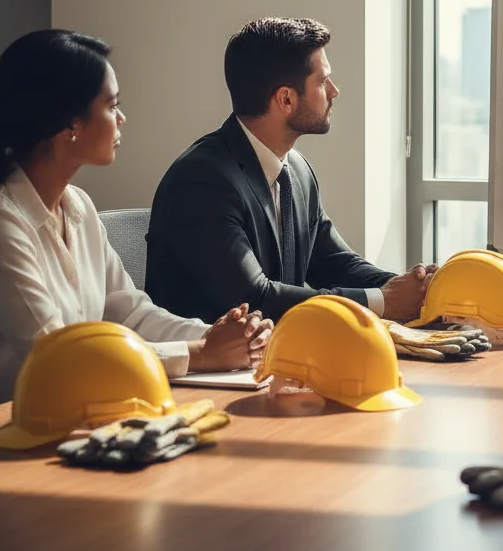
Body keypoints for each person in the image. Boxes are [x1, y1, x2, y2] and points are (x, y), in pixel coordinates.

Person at [0, 30, 271, 407]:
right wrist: (199, 354)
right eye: (111, 105)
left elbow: (131, 313)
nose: (122, 118)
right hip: (6, 434)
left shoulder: (79, 207)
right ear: (70, 124)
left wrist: (223, 338)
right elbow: (55, 359)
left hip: (80, 416)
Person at [145, 17, 435, 324]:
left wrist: (415, 288)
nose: (334, 91)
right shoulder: (202, 180)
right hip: (209, 368)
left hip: (274, 358)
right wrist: (382, 302)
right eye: (323, 82)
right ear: (286, 99)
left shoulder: (295, 169)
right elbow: (254, 298)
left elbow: (335, 263)